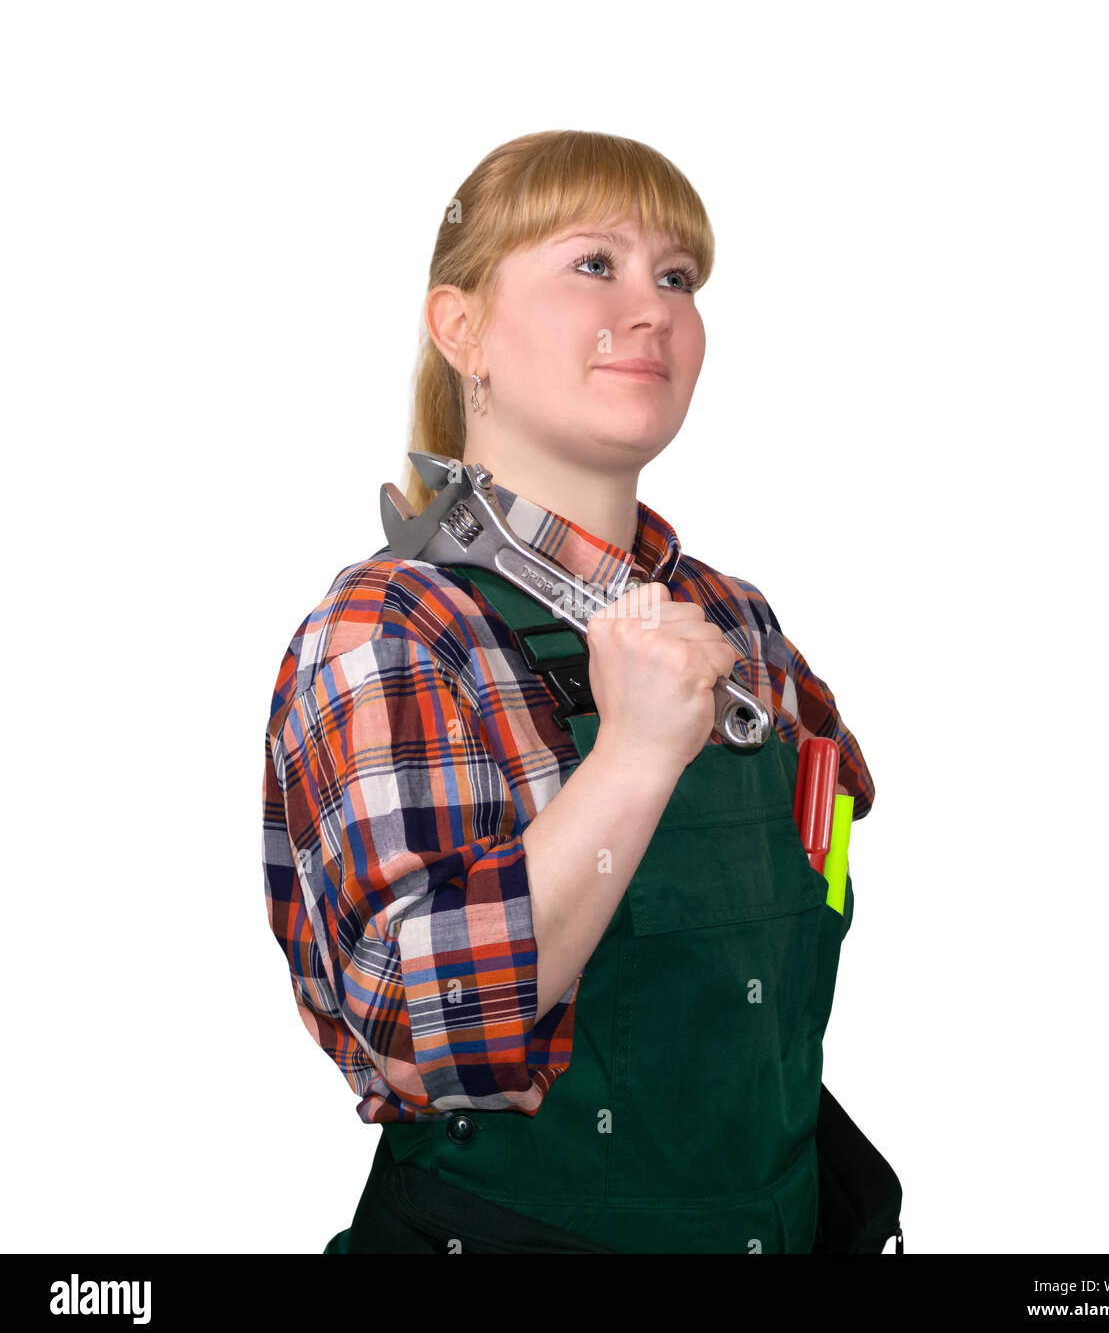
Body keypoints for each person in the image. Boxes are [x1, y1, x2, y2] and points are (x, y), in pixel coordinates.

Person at [261, 129, 875, 1254]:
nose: (651, 310)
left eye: (677, 278)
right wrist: (633, 759)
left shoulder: (740, 626)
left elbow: (808, 901)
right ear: (462, 329)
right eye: (594, 264)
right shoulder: (393, 631)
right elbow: (419, 1024)